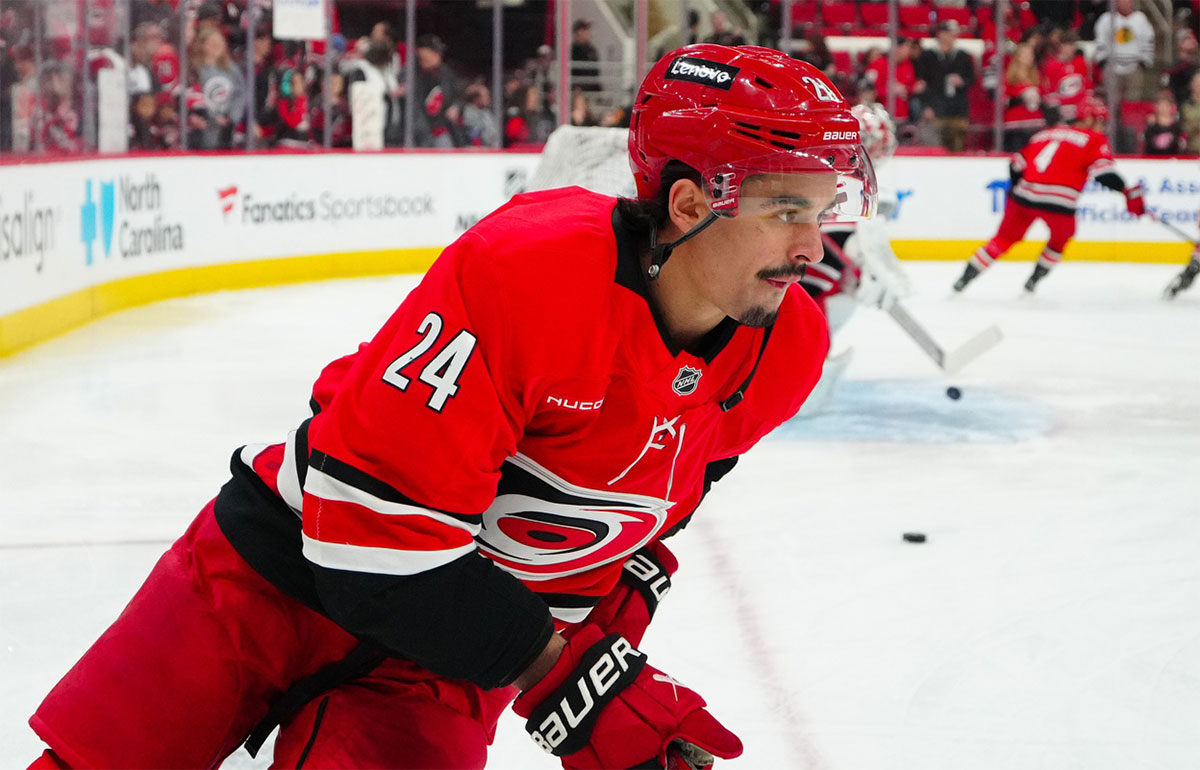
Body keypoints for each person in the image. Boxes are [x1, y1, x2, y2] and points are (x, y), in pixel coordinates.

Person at [27, 43, 876, 770]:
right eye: (784, 210)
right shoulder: (530, 273)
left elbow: (677, 489)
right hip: (274, 579)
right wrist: (571, 677)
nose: (815, 246)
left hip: (449, 656)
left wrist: (619, 602)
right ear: (690, 203)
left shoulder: (786, 346)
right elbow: (367, 544)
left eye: (824, 208)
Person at [952, 97, 1146, 294]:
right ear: (1089, 119)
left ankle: (962, 280)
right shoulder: (1094, 139)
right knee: (1059, 240)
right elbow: (1105, 175)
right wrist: (1126, 191)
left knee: (1002, 240)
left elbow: (1015, 165)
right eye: (1100, 122)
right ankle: (1033, 282)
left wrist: (1016, 192)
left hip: (1024, 197)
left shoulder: (1045, 133)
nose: (1102, 128)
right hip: (1059, 204)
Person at [799, 102, 910, 413]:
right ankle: (802, 372)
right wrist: (872, 275)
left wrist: (866, 274)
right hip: (804, 267)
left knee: (816, 293)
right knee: (812, 296)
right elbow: (859, 244)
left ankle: (803, 366)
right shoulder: (857, 187)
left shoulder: (820, 170)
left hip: (803, 262)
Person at [913, 20, 976, 152]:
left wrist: (962, 81)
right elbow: (922, 84)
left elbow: (971, 80)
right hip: (935, 111)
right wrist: (927, 106)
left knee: (956, 149)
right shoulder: (927, 56)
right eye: (949, 33)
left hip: (957, 110)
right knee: (933, 149)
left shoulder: (963, 56)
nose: (952, 37)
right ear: (940, 34)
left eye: (954, 34)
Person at [1094, 0, 1155, 104]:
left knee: (1133, 101)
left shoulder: (1140, 19)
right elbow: (1100, 39)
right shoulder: (1106, 19)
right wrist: (1102, 60)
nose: (1123, 3)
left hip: (1134, 67)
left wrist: (1145, 61)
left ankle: (1130, 120)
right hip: (1112, 68)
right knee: (1112, 102)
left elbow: (1149, 39)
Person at [1002, 42, 1046, 151]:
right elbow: (1003, 101)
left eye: (1031, 54)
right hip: (1015, 125)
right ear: (1018, 56)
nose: (1029, 57)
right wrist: (1020, 99)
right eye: (1025, 54)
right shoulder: (1008, 77)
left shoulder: (1037, 76)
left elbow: (1044, 97)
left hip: (1035, 123)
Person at [570, 19, 601, 92]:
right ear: (579, 32)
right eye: (585, 29)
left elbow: (595, 73)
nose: (588, 32)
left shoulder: (591, 49)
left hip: (593, 90)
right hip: (580, 91)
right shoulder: (573, 50)